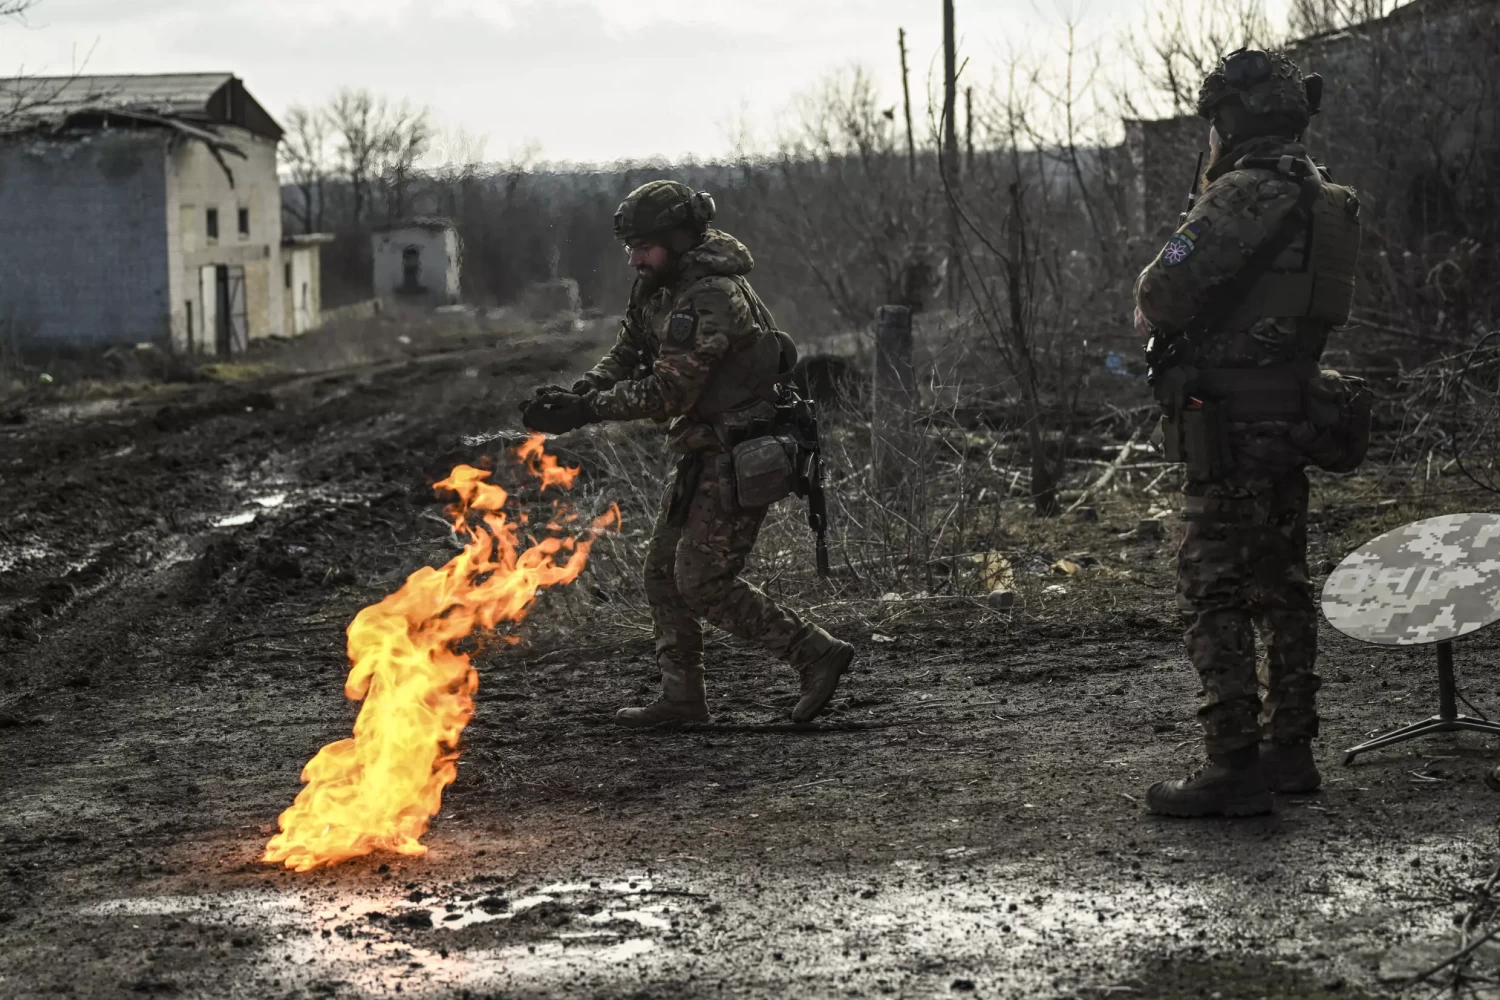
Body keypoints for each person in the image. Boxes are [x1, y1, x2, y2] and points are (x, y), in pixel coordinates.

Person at [520, 180, 854, 728]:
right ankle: (682, 700)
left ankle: (816, 653)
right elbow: (629, 349)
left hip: (741, 451)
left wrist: (587, 412)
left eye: (643, 246)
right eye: (630, 247)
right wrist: (579, 393)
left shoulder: (711, 297)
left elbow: (669, 392)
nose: (634, 258)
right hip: (705, 448)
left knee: (701, 582)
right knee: (660, 574)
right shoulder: (659, 284)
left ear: (676, 239)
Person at [1133, 49, 1365, 816]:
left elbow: (1160, 293)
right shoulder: (1326, 199)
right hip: (1290, 413)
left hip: (1229, 424)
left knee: (1215, 588)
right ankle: (1290, 749)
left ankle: (1232, 763)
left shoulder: (1238, 194)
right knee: (1283, 583)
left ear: (1233, 120)